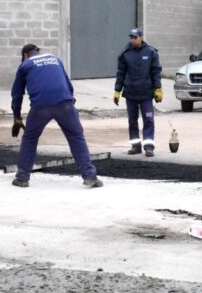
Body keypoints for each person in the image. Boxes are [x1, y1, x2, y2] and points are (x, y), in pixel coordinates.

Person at [11, 43, 103, 188]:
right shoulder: (55, 59)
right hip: (64, 104)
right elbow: (68, 85)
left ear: (24, 55)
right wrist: (70, 104)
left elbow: (17, 95)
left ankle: (22, 178)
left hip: (40, 107)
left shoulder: (25, 65)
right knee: (76, 137)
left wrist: (17, 117)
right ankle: (90, 176)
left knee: (30, 138)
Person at [113, 28, 163, 157]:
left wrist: (158, 89)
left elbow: (155, 71)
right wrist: (117, 90)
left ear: (141, 37)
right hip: (130, 93)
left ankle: (149, 147)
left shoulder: (151, 52)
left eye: (135, 37)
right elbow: (121, 73)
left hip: (146, 93)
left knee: (148, 119)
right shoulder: (125, 53)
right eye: (131, 37)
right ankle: (135, 145)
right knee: (132, 120)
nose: (133, 40)